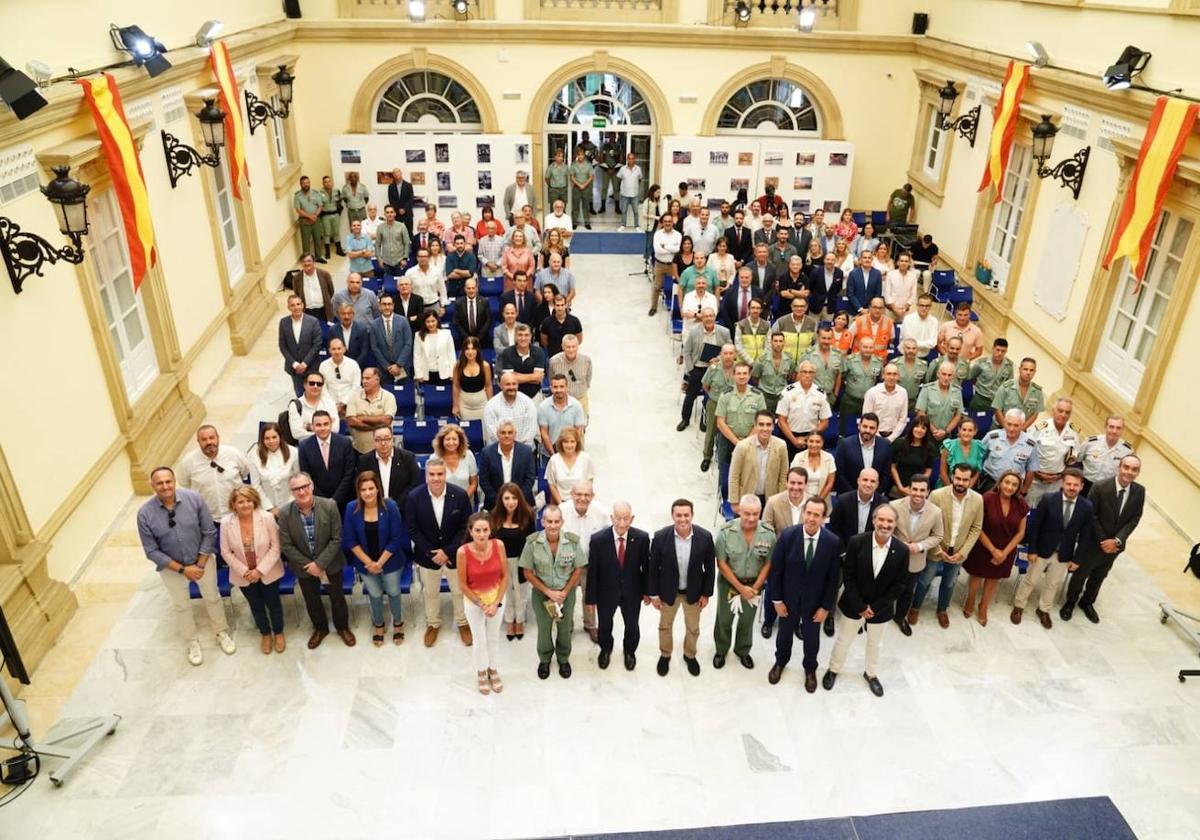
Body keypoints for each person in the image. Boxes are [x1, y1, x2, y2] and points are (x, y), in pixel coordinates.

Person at [137, 467, 235, 666]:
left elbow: (209, 531)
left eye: (168, 481)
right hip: (172, 569)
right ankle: (191, 641)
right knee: (181, 606)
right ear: (152, 485)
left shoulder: (194, 499)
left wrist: (199, 563)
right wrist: (183, 570)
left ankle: (221, 632)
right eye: (160, 483)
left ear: (174, 481)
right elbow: (151, 551)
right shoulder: (144, 514)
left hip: (203, 562)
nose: (165, 486)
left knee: (212, 598)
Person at [822, 505, 908, 697]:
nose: (885, 525)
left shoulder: (902, 550)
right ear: (874, 520)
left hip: (881, 610)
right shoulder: (857, 542)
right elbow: (849, 576)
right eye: (881, 520)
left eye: (889, 521)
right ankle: (833, 669)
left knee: (875, 644)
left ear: (895, 524)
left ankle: (871, 673)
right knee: (844, 640)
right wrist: (860, 606)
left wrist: (874, 608)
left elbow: (899, 585)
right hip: (854, 605)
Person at [767, 496, 841, 691]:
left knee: (812, 640)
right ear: (803, 513)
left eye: (817, 515)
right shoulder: (788, 536)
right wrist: (777, 600)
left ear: (823, 518)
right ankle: (780, 662)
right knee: (784, 636)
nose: (811, 518)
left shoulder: (832, 542)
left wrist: (826, 607)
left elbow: (833, 579)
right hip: (788, 600)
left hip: (814, 603)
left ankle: (810, 669)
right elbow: (776, 571)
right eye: (808, 513)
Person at [277, 471, 356, 649]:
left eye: (305, 486)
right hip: (303, 567)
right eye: (296, 489)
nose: (302, 492)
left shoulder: (329, 506)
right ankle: (320, 629)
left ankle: (342, 628)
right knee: (311, 600)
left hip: (330, 563)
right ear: (291, 491)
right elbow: (286, 545)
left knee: (337, 598)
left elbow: (337, 538)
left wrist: (319, 563)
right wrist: (310, 566)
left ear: (311, 486)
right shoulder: (285, 513)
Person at [1062, 455, 1144, 624]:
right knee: (1081, 574)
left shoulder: (1139, 491)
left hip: (1115, 547)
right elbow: (1091, 516)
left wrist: (1117, 541)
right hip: (1093, 543)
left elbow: (1135, 518)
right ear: (1119, 467)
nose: (1129, 472)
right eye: (1126, 467)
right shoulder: (1100, 487)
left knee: (1100, 575)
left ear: (1138, 472)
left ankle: (1087, 602)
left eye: (1134, 469)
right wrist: (1104, 541)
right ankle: (1070, 601)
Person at [1012, 468, 1094, 630]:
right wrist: (1032, 550)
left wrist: (1077, 559)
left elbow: (1085, 535)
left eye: (1075, 485)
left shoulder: (1086, 506)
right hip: (1042, 550)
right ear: (1062, 484)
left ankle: (1043, 609)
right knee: (1030, 580)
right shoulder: (1049, 499)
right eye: (1069, 483)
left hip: (1064, 553)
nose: (1072, 487)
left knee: (1053, 584)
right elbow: (1036, 526)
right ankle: (1019, 606)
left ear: (1082, 486)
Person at [407, 457, 473, 647]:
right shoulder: (414, 497)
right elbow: (412, 529)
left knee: (459, 591)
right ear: (426, 475)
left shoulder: (460, 495)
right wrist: (432, 552)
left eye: (440, 474)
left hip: (454, 555)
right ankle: (433, 624)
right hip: (427, 557)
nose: (436, 478)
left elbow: (465, 527)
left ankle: (463, 622)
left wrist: (447, 551)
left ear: (446, 475)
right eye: (432, 474)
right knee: (431, 593)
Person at [910, 463, 984, 629]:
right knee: (925, 580)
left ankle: (942, 610)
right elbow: (926, 524)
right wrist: (937, 549)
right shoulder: (936, 495)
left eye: (965, 480)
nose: (960, 482)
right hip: (937, 548)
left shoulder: (978, 500)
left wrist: (963, 552)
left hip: (958, 552)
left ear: (971, 480)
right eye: (957, 478)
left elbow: (976, 528)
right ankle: (915, 607)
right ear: (952, 476)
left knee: (949, 583)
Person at [648, 499, 716, 677]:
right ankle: (665, 654)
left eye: (686, 515)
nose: (682, 519)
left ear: (692, 515)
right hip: (668, 593)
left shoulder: (705, 537)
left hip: (693, 593)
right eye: (678, 515)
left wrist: (707, 594)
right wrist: (654, 594)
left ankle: (690, 655)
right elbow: (653, 568)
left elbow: (710, 568)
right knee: (665, 626)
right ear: (672, 516)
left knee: (693, 628)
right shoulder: (660, 537)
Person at [520, 504, 586, 679]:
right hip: (542, 594)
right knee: (544, 629)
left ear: (562, 522)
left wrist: (564, 591)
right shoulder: (532, 543)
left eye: (557, 521)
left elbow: (579, 568)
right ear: (542, 521)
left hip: (566, 592)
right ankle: (545, 659)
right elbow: (527, 572)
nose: (553, 525)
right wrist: (549, 592)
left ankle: (563, 659)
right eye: (549, 521)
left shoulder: (572, 542)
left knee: (565, 628)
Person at [342, 472, 407, 647]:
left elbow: (396, 539)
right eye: (363, 489)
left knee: (393, 592)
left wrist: (380, 563)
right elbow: (350, 540)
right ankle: (378, 624)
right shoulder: (351, 508)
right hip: (365, 564)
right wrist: (370, 563)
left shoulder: (390, 506)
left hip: (390, 561)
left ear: (378, 489)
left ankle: (398, 623)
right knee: (375, 594)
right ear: (358, 491)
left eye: (371, 488)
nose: (368, 493)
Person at [713, 495, 776, 671]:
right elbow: (722, 563)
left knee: (747, 621)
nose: (751, 518)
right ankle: (721, 649)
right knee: (724, 619)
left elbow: (768, 563)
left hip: (754, 585)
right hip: (729, 584)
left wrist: (755, 588)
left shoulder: (768, 534)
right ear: (739, 511)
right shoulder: (726, 532)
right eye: (747, 513)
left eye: (756, 514)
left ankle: (742, 650)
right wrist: (741, 588)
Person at [221, 486, 285, 654]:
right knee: (256, 605)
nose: (245, 504)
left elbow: (276, 547)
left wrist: (259, 571)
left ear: (255, 501)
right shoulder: (226, 522)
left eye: (249, 500)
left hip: (268, 571)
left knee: (274, 604)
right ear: (233, 504)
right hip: (243, 575)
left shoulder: (267, 518)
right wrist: (244, 571)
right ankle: (265, 633)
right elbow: (225, 552)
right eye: (240, 502)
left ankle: (278, 632)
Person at [962, 470, 1028, 627]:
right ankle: (970, 599)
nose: (1009, 487)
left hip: (1006, 549)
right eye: (1007, 482)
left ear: (1018, 488)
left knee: (993, 578)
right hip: (983, 546)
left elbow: (1021, 533)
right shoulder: (986, 499)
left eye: (1014, 484)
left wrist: (1003, 553)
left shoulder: (1021, 504)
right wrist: (993, 550)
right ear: (1000, 483)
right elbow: (977, 526)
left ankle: (983, 606)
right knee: (976, 576)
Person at [455, 513, 509, 694]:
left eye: (485, 530)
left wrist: (495, 603)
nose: (481, 534)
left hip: (497, 599)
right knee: (479, 639)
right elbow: (463, 584)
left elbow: (505, 576)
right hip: (474, 602)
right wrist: (482, 605)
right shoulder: (462, 552)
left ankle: (493, 669)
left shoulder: (499, 545)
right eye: (477, 530)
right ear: (470, 531)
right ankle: (481, 671)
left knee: (493, 637)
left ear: (490, 530)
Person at [887, 474, 945, 637]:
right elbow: (884, 529)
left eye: (922, 490)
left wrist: (920, 546)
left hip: (916, 559)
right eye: (914, 489)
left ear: (927, 492)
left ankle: (900, 618)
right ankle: (882, 614)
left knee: (907, 591)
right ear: (909, 489)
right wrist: (899, 544)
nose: (918, 494)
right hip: (893, 557)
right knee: (886, 586)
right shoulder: (894, 505)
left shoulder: (935, 512)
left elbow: (938, 536)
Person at [175, 424, 260, 521]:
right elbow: (184, 484)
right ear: (198, 441)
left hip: (236, 514)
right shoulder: (188, 462)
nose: (209, 442)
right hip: (208, 518)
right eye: (204, 439)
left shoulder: (234, 454)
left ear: (218, 437)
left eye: (212, 438)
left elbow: (245, 472)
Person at [490, 483, 535, 641]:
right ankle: (509, 620)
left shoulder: (528, 516)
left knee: (521, 593)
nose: (510, 502)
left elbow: (532, 542)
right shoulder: (494, 517)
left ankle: (520, 620)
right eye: (507, 498)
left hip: (521, 561)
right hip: (502, 562)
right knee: (506, 592)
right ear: (501, 500)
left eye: (514, 498)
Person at [714, 363, 767, 493]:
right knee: (724, 469)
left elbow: (761, 421)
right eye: (738, 373)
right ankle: (724, 496)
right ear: (734, 375)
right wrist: (737, 443)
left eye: (745, 373)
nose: (742, 376)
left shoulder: (758, 395)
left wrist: (744, 442)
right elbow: (720, 422)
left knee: (749, 470)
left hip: (751, 441)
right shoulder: (725, 395)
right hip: (728, 441)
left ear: (749, 376)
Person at [678, 314, 731, 432]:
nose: (708, 318)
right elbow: (686, 351)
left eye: (711, 316)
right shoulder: (694, 331)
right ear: (702, 318)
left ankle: (704, 420)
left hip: (716, 369)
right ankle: (685, 419)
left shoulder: (724, 332)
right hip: (698, 369)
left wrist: (719, 358)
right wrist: (691, 369)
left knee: (710, 396)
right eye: (706, 316)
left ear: (714, 317)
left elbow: (730, 350)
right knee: (690, 396)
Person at [1024, 398, 1082, 506]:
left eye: (1067, 412)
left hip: (1056, 482)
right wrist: (1037, 473)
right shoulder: (1040, 428)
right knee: (1030, 510)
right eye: (1060, 410)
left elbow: (1074, 458)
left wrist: (1061, 475)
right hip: (1035, 481)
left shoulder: (1073, 432)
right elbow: (1026, 452)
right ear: (1053, 411)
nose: (1063, 414)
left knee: (1050, 511)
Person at [728, 411, 789, 512]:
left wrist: (781, 500)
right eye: (761, 424)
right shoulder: (742, 446)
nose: (765, 428)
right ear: (755, 426)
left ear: (773, 426)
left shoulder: (781, 446)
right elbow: (734, 475)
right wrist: (735, 502)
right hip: (747, 499)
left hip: (770, 500)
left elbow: (783, 476)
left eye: (768, 425)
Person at [357, 426, 422, 517]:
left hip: (403, 512)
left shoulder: (408, 458)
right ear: (374, 441)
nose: (383, 443)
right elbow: (360, 486)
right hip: (374, 512)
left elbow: (415, 484)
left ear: (392, 439)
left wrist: (395, 506)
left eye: (387, 439)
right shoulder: (364, 461)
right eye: (378, 440)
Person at [298, 411, 356, 510]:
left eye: (326, 424)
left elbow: (349, 473)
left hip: (343, 500)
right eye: (318, 425)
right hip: (317, 502)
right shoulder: (304, 446)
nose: (323, 428)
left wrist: (335, 499)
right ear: (312, 426)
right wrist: (323, 501)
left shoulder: (345, 443)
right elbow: (306, 476)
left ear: (331, 424)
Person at [775, 360, 832, 462]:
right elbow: (781, 420)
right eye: (804, 372)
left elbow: (825, 422)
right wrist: (794, 440)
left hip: (811, 437)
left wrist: (807, 439)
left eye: (810, 372)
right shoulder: (788, 391)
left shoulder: (821, 394)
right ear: (799, 374)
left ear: (814, 375)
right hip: (789, 436)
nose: (807, 375)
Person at [478, 419, 537, 510]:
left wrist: (516, 499)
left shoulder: (526, 452)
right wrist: (499, 500)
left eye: (510, 432)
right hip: (495, 504)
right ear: (497, 434)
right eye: (503, 432)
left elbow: (530, 478)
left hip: (522, 502)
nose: (506, 436)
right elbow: (484, 480)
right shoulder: (487, 453)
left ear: (515, 434)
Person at [980, 408, 1039, 492]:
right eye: (1009, 424)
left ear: (1022, 425)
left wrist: (1024, 490)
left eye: (1016, 425)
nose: (1011, 429)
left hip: (1014, 488)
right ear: (1004, 422)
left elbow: (1032, 468)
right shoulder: (992, 437)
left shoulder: (1030, 443)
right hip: (990, 484)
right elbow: (979, 458)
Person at [1074, 415, 1135, 496]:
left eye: (1118, 428)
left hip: (1107, 490)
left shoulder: (1127, 451)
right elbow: (1077, 460)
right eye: (1111, 427)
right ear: (1106, 427)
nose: (1114, 431)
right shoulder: (1091, 442)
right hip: (1085, 485)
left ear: (1122, 430)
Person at [833, 412, 893, 495]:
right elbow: (839, 474)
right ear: (859, 426)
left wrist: (874, 494)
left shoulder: (885, 445)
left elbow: (886, 474)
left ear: (877, 429)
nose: (867, 430)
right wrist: (855, 495)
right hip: (848, 496)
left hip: (874, 497)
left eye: (872, 428)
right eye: (865, 426)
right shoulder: (845, 444)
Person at [343, 367, 396, 455]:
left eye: (368, 378)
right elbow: (351, 422)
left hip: (383, 452)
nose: (364, 381)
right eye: (363, 378)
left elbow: (386, 421)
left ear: (377, 379)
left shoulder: (389, 397)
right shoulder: (354, 396)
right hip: (359, 451)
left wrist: (362, 418)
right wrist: (377, 428)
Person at [279, 293, 323, 396]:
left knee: (314, 394)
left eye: (298, 304)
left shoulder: (313, 321)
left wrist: (305, 363)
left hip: (311, 366)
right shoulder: (283, 322)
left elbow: (317, 344)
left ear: (302, 305)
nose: (296, 307)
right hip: (295, 369)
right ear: (288, 307)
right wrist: (295, 364)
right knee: (299, 394)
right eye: (293, 305)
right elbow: (282, 346)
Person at [250, 422, 299, 514]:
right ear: (262, 440)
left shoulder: (294, 452)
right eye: (267, 438)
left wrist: (288, 506)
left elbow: (298, 481)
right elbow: (256, 486)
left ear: (280, 437)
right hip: (266, 509)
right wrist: (270, 508)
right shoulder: (254, 456)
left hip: (291, 506)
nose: (271, 441)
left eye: (274, 437)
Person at [483, 370, 539, 448]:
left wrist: (518, 448)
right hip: (499, 450)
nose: (511, 387)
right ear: (500, 385)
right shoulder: (491, 405)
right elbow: (492, 433)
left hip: (524, 450)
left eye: (514, 384)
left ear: (518, 385)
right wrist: (508, 446)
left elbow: (531, 429)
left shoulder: (528, 403)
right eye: (508, 384)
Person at [838, 337, 883, 433]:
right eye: (865, 347)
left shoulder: (878, 362)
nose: (868, 350)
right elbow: (842, 377)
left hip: (869, 402)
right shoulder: (850, 360)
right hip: (850, 401)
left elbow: (879, 380)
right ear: (859, 346)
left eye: (871, 347)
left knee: (866, 430)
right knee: (845, 430)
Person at [370, 293, 414, 388]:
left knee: (404, 397)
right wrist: (387, 366)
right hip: (384, 369)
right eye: (384, 304)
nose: (387, 307)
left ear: (393, 306)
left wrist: (398, 365)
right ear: (379, 306)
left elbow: (408, 344)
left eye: (389, 304)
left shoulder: (403, 321)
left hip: (403, 367)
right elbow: (374, 348)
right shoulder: (374, 325)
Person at [916, 362, 964, 445]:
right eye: (944, 374)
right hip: (928, 434)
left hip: (946, 436)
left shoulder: (957, 392)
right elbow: (921, 413)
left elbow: (958, 415)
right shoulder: (927, 389)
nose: (946, 378)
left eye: (949, 375)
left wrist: (945, 431)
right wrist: (934, 431)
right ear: (938, 374)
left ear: (953, 377)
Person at [544, 426, 594, 505]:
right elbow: (552, 485)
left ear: (577, 442)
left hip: (581, 503)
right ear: (561, 443)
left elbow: (589, 483)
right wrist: (561, 504)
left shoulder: (585, 458)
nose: (569, 445)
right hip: (561, 503)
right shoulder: (554, 460)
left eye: (572, 441)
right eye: (566, 442)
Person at [889, 416, 936, 499]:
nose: (919, 430)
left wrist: (916, 487)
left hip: (917, 491)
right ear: (912, 427)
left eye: (923, 428)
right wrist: (900, 487)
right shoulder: (899, 443)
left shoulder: (929, 447)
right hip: (896, 488)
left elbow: (928, 470)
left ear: (926, 431)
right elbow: (892, 467)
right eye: (916, 426)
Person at [991, 357, 1044, 430]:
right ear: (1020, 369)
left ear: (1035, 372)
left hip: (1021, 431)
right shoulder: (1006, 387)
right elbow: (997, 409)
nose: (1028, 372)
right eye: (1025, 369)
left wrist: (1022, 429)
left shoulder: (1038, 392)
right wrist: (1007, 428)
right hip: (1000, 428)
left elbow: (1035, 414)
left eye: (1031, 370)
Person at [287, 371, 339, 443]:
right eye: (311, 383)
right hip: (306, 447)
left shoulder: (330, 403)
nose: (315, 386)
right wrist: (325, 430)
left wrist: (308, 427)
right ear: (305, 385)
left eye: (319, 384)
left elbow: (335, 429)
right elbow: (296, 433)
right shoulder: (295, 405)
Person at [862, 363, 909, 441]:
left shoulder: (903, 393)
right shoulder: (872, 393)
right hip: (874, 436)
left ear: (898, 376)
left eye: (894, 374)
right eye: (888, 374)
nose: (891, 377)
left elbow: (902, 420)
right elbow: (866, 418)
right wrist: (879, 438)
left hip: (895, 437)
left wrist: (891, 438)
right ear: (883, 375)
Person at [753, 331, 795, 417]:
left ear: (784, 343)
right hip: (765, 397)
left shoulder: (789, 360)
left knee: (780, 422)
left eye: (780, 341)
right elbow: (755, 378)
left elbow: (790, 377)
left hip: (781, 397)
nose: (778, 344)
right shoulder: (762, 360)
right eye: (775, 341)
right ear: (771, 343)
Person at [433, 423, 478, 501]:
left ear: (460, 440)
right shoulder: (434, 458)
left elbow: (473, 483)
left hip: (465, 502)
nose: (451, 443)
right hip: (442, 502)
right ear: (441, 441)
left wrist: (463, 500)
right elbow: (432, 484)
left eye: (454, 439)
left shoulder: (468, 455)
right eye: (447, 439)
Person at [967, 338, 1014, 413]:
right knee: (972, 420)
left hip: (996, 401)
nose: (1000, 353)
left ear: (1006, 351)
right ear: (993, 348)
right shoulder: (981, 363)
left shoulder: (1009, 366)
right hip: (980, 398)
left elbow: (1009, 384)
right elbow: (971, 377)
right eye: (997, 350)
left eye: (1003, 351)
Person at [549, 334, 591, 416]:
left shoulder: (586, 361)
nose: (571, 350)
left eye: (573, 346)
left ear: (578, 346)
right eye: (568, 347)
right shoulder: (554, 361)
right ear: (562, 347)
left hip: (581, 400)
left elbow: (588, 380)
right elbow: (551, 379)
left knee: (580, 427)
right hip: (561, 402)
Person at [452, 336, 493, 421]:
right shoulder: (458, 366)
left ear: (477, 350)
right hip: (464, 406)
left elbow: (488, 386)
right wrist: (455, 405)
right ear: (464, 351)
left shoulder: (485, 366)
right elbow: (456, 386)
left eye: (473, 349)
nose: (470, 352)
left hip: (482, 405)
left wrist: (490, 405)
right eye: (467, 349)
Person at [939, 417, 986, 489]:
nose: (966, 433)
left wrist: (967, 490)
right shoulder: (949, 446)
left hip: (969, 488)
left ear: (975, 432)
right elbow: (943, 473)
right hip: (947, 486)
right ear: (959, 430)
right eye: (964, 430)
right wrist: (952, 491)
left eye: (970, 430)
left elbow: (977, 472)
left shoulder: (979, 447)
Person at [650, 212, 682, 316]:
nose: (667, 223)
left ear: (673, 223)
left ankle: (677, 308)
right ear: (662, 223)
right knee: (656, 287)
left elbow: (677, 250)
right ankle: (653, 307)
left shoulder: (678, 235)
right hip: (659, 264)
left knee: (677, 287)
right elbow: (658, 250)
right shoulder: (657, 234)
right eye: (665, 221)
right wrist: (670, 248)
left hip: (673, 265)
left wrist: (665, 246)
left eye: (669, 221)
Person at [289, 252, 336, 322]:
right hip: (307, 312)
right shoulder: (297, 278)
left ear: (314, 262)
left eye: (309, 261)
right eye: (304, 261)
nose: (306, 263)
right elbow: (297, 294)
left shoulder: (325, 274)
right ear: (301, 264)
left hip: (324, 311)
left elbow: (331, 291)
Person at [413, 311, 456, 385]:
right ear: (424, 323)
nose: (431, 324)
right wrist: (418, 374)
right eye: (428, 322)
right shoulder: (418, 336)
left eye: (433, 321)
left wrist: (452, 373)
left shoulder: (446, 334)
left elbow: (451, 355)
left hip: (444, 373)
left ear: (437, 321)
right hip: (426, 374)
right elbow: (417, 356)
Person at [795, 430, 836, 503]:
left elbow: (830, 483)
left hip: (823, 501)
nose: (814, 445)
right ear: (807, 442)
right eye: (811, 441)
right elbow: (794, 480)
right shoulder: (798, 457)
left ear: (822, 443)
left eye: (817, 442)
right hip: (800, 501)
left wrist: (819, 501)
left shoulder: (829, 458)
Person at [404, 247, 448, 313]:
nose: (423, 259)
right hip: (417, 307)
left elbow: (442, 290)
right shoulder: (410, 273)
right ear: (417, 258)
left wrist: (443, 306)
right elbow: (406, 291)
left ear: (429, 257)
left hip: (434, 306)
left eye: (425, 256)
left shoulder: (436, 271)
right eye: (420, 256)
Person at [540, 294, 583, 359]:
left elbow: (579, 339)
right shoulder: (546, 322)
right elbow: (544, 342)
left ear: (566, 305)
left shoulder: (575, 321)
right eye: (557, 305)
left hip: (571, 357)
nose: (560, 308)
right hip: (553, 357)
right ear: (554, 306)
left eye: (562, 305)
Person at [376, 205, 413, 278]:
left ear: (395, 214)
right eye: (387, 212)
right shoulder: (380, 227)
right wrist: (379, 259)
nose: (389, 214)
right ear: (385, 214)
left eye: (391, 212)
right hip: (386, 263)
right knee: (388, 286)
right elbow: (377, 244)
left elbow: (407, 243)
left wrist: (405, 258)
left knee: (400, 285)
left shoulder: (401, 226)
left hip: (399, 262)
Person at [293, 175, 323, 261]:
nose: (306, 184)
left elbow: (320, 206)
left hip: (316, 219)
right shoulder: (297, 196)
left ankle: (319, 257)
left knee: (317, 238)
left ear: (309, 183)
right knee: (305, 241)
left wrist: (315, 216)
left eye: (307, 182)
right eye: (304, 183)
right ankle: (307, 258)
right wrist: (310, 216)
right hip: (304, 221)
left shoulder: (315, 193)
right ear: (300, 184)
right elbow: (298, 210)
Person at [892, 337, 929, 403]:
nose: (911, 351)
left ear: (917, 350)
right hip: (896, 400)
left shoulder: (923, 366)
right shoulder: (894, 364)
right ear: (903, 349)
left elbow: (926, 384)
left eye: (914, 348)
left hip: (914, 402)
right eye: (908, 348)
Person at [883, 251, 920, 318]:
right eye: (902, 261)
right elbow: (887, 294)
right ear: (898, 263)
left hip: (905, 311)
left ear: (909, 263)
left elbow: (913, 295)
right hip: (890, 310)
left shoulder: (913, 276)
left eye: (906, 261)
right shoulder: (890, 275)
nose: (904, 263)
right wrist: (895, 309)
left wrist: (904, 308)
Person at [614, 151, 642, 230]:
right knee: (624, 211)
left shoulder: (638, 169)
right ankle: (623, 225)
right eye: (629, 159)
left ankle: (637, 226)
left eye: (632, 159)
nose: (631, 160)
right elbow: (619, 179)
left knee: (636, 212)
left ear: (634, 159)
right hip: (624, 194)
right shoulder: (622, 169)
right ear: (627, 159)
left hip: (634, 194)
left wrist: (634, 186)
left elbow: (640, 179)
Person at [387, 167, 415, 234]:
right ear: (393, 175)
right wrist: (398, 209)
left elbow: (410, 199)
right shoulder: (391, 187)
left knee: (409, 234)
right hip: (397, 215)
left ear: (401, 173)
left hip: (408, 214)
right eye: (394, 173)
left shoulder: (408, 185)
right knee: (397, 234)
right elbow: (391, 201)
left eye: (397, 172)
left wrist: (404, 209)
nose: (396, 174)